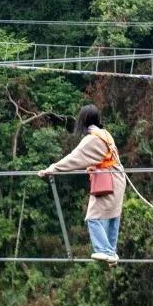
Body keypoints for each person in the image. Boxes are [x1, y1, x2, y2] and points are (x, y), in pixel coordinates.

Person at [37, 105, 126, 263]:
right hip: (118, 178)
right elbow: (103, 158)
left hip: (108, 181)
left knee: (93, 217)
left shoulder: (92, 138)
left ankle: (104, 250)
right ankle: (111, 252)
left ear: (83, 120)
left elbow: (74, 158)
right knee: (113, 215)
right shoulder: (104, 133)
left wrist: (52, 169)